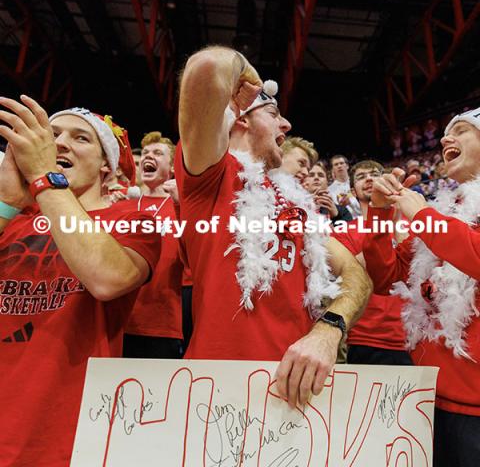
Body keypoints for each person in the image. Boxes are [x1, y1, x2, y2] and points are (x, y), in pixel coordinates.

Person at [176, 46, 372, 408]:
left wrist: (330, 329)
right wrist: (250, 79)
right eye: (273, 113)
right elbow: (206, 66)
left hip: (296, 395)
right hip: (218, 393)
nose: (287, 125)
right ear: (241, 119)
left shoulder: (296, 204)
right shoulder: (212, 176)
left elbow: (356, 277)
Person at [0, 97, 160, 466]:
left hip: (61, 439)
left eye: (81, 138)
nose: (58, 144)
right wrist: (8, 202)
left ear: (108, 166)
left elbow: (107, 279)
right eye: (52, 134)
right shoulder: (11, 217)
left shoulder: (133, 221)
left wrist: (44, 179)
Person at [363, 107, 480, 467]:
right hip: (426, 392)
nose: (446, 138)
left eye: (460, 131)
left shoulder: (435, 218)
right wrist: (380, 212)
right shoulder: (450, 208)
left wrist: (425, 218)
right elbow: (386, 275)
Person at [334, 160, 412, 365]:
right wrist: (384, 220)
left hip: (415, 337)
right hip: (367, 339)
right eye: (361, 177)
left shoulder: (412, 225)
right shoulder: (343, 232)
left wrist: (396, 221)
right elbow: (353, 271)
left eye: (375, 174)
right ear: (352, 191)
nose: (369, 178)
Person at [123, 131, 184, 359]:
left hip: (161, 323)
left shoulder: (181, 207)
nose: (149, 156)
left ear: (172, 167)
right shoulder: (123, 207)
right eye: (146, 152)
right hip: (118, 319)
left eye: (158, 153)